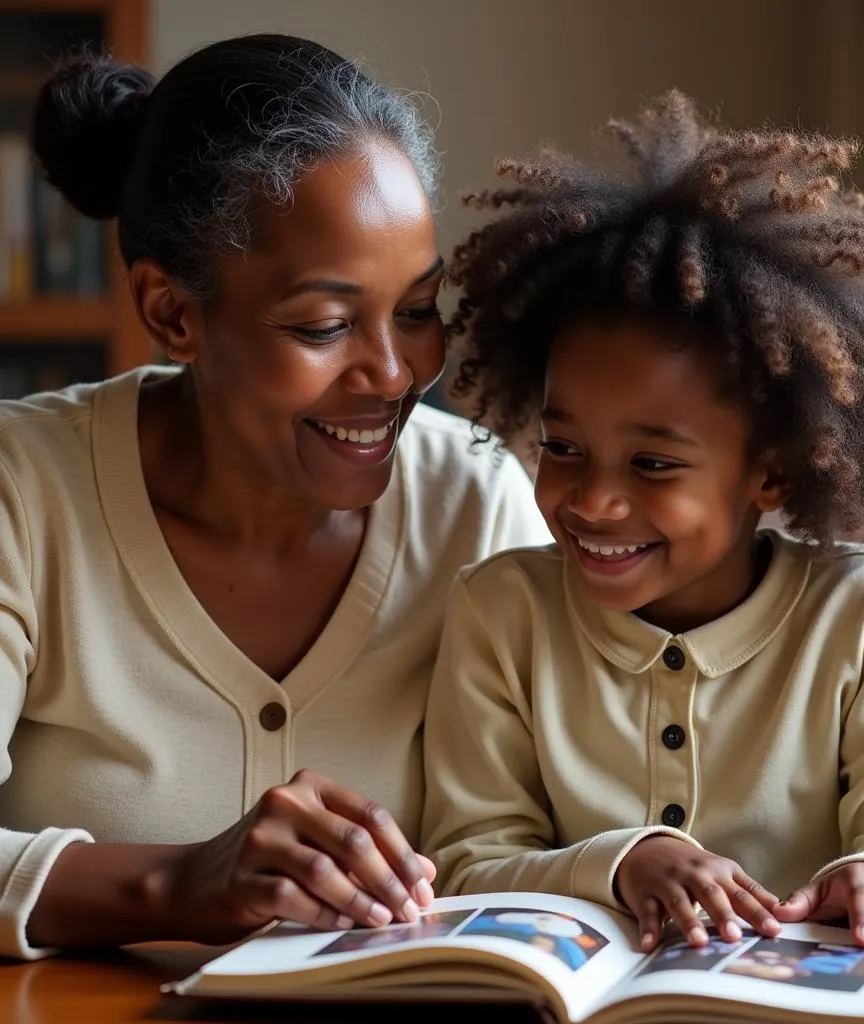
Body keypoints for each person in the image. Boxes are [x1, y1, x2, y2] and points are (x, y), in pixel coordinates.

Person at [0, 34, 549, 961]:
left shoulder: (478, 505)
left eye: (417, 309)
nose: (396, 372)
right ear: (172, 313)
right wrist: (174, 884)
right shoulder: (25, 490)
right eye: (326, 325)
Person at [421, 91, 864, 956]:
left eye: (653, 464)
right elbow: (465, 859)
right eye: (564, 446)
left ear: (773, 471)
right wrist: (625, 862)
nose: (593, 502)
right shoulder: (502, 613)